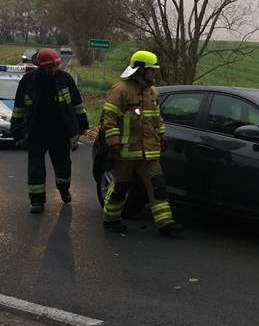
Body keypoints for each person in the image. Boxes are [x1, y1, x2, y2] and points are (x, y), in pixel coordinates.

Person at [100, 50, 184, 238]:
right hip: (125, 152)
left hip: (149, 151)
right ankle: (111, 219)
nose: (154, 74)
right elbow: (110, 119)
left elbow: (157, 119)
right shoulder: (121, 90)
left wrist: (162, 136)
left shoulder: (153, 92)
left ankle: (165, 224)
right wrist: (113, 144)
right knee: (120, 187)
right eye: (151, 70)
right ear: (140, 70)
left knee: (158, 186)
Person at [10, 48, 89, 214]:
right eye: (50, 68)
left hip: (60, 131)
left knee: (63, 165)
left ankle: (63, 189)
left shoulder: (65, 79)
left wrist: (82, 126)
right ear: (40, 66)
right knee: (35, 166)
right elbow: (19, 108)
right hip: (36, 131)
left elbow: (77, 105)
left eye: (56, 67)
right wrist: (17, 131)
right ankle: (37, 201)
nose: (53, 70)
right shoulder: (28, 81)